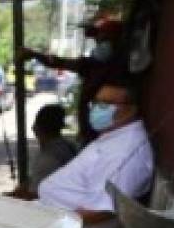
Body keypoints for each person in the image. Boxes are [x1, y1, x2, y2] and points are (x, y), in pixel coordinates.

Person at [37, 76, 154, 228]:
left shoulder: (125, 152)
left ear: (130, 110)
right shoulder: (115, 136)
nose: (97, 109)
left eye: (106, 104)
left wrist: (52, 224)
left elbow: (103, 210)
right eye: (96, 102)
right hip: (56, 220)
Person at [22, 13, 125, 146]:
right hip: (94, 133)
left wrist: (33, 54)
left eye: (104, 41)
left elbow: (58, 62)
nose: (99, 45)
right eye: (98, 41)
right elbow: (57, 62)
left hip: (106, 134)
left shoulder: (119, 68)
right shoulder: (92, 65)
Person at [9, 103, 77, 198]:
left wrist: (11, 198)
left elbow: (35, 196)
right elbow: (34, 179)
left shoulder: (49, 158)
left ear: (37, 128)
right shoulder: (67, 146)